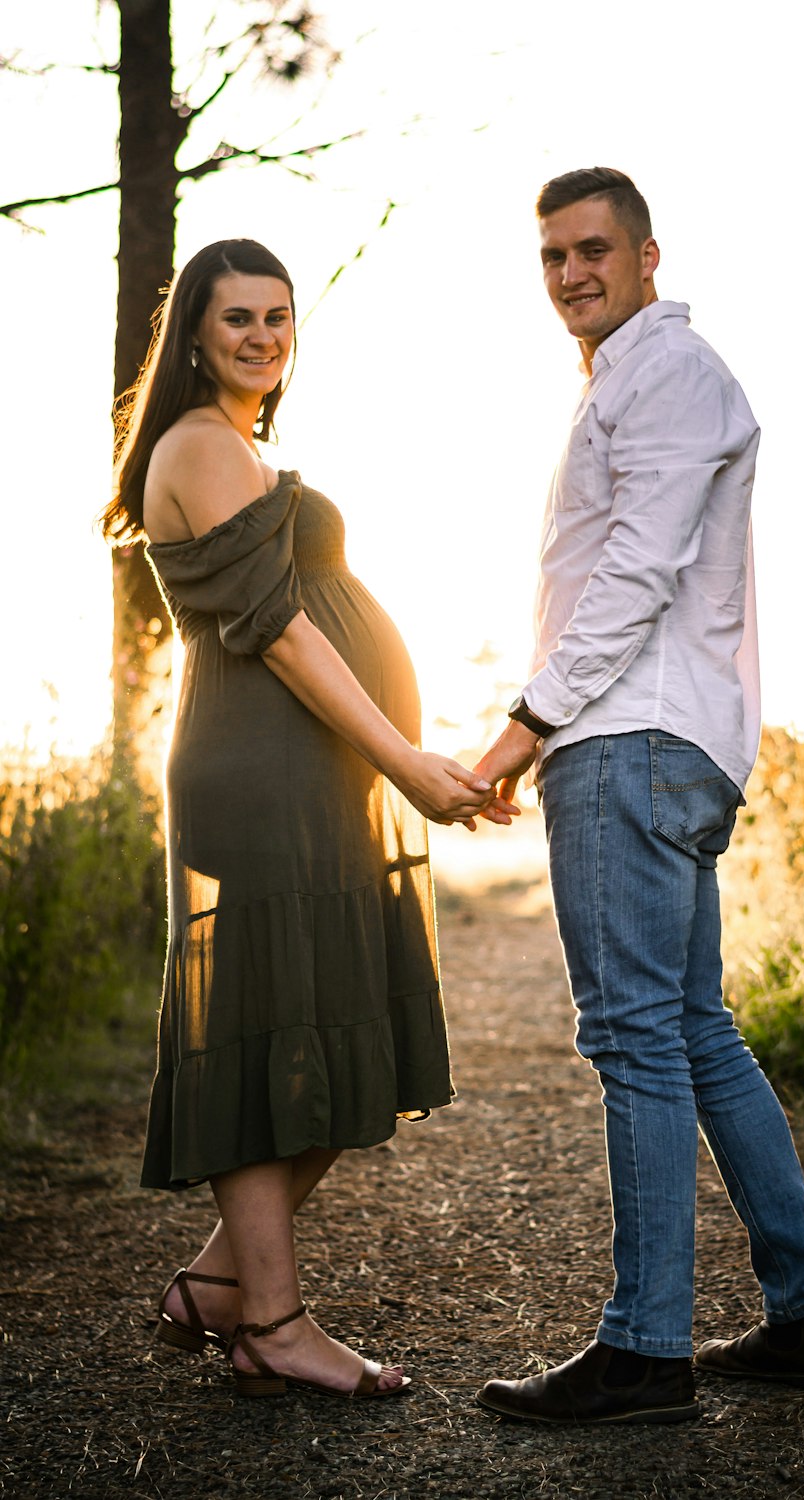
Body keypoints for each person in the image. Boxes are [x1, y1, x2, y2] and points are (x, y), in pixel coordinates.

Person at [473, 169, 804, 1425]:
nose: (571, 273)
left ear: (648, 255)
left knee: (636, 1039)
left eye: (592, 249)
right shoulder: (632, 382)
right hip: (664, 739)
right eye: (551, 257)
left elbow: (637, 570)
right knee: (693, 1030)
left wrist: (523, 727)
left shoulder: (666, 373)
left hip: (628, 737)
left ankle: (645, 1351)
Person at [101, 239, 512, 1402]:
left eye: (278, 316)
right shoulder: (195, 444)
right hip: (262, 768)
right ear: (192, 334)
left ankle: (223, 1289)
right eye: (237, 317)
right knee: (283, 1026)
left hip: (308, 768)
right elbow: (278, 629)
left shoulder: (236, 446)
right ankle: (272, 1322)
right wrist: (402, 760)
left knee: (341, 1033)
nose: (263, 336)